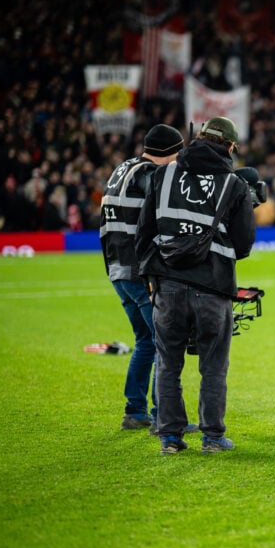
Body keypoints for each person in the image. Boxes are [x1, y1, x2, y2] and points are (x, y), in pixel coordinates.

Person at [136, 116, 256, 454]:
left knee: (168, 364)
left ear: (199, 137)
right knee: (213, 368)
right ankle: (213, 439)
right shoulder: (234, 185)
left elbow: (144, 231)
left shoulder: (163, 174)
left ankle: (170, 438)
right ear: (231, 146)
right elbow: (244, 243)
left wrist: (153, 275)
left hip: (168, 284)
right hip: (214, 288)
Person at [100, 124, 183, 431]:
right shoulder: (149, 174)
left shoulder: (123, 168)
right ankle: (164, 416)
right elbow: (163, 214)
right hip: (139, 272)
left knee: (145, 341)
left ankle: (135, 411)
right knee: (164, 343)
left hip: (117, 269)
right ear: (169, 152)